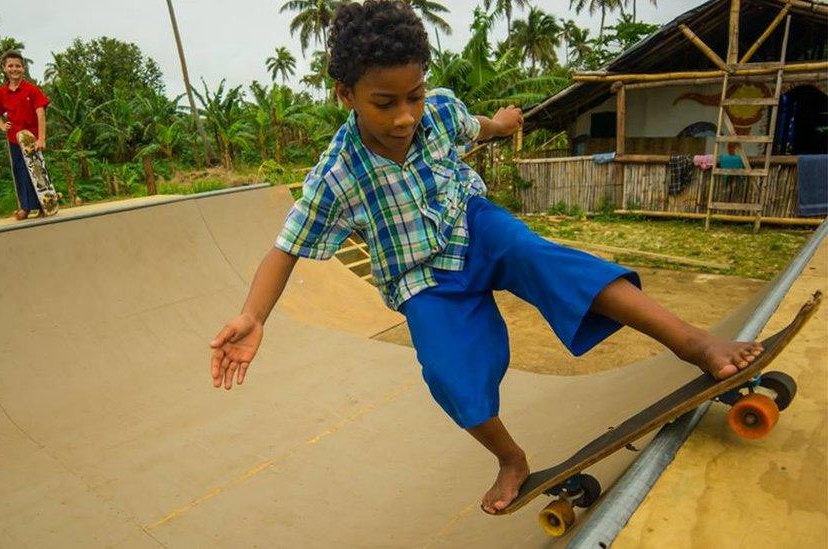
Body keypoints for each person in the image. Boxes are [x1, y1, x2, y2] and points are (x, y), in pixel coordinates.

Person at [209, 0, 763, 516]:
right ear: (345, 95)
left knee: (543, 258)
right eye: (385, 103)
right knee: (449, 376)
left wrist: (503, 122)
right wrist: (254, 317)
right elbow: (285, 250)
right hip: (419, 280)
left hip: (473, 225)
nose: (405, 117)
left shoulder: (440, 112)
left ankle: (695, 343)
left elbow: (480, 128)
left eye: (414, 96)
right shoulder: (336, 176)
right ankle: (511, 458)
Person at [0, 51, 51, 220]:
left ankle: (43, 205)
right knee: (20, 173)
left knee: (37, 172)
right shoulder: (1, 93)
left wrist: (42, 138)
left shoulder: (31, 89)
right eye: (10, 66)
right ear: (4, 68)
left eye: (18, 66)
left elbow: (40, 113)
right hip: (15, 140)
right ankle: (24, 207)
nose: (14, 69)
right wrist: (2, 125)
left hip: (32, 140)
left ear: (23, 69)